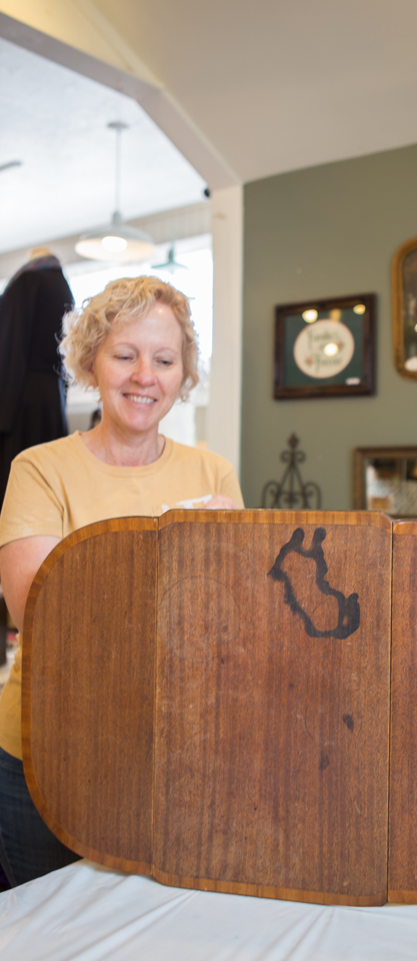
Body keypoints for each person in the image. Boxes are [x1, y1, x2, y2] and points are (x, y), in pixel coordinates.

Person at [0, 275, 243, 886]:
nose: (144, 376)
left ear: (183, 374)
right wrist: (177, 559)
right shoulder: (39, 469)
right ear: (90, 362)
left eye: (164, 360)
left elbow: (233, 626)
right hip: (44, 751)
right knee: (42, 932)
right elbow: (40, 614)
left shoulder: (213, 473)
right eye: (125, 355)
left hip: (174, 750)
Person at [0, 247, 73, 508]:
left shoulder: (27, 281)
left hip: (21, 397)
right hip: (53, 400)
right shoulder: (63, 287)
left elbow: (9, 344)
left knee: (15, 485)